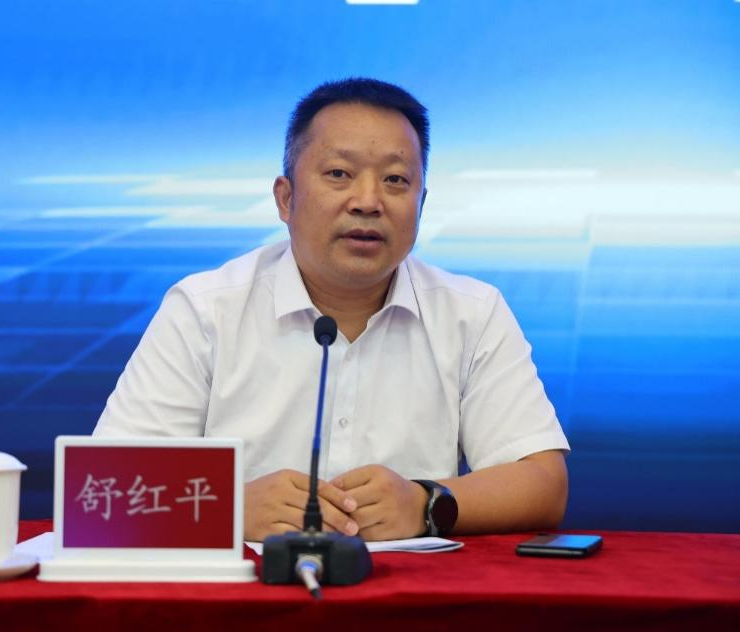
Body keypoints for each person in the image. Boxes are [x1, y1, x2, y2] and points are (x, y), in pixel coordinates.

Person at [95, 78, 569, 541]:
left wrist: (426, 504)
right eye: (339, 174)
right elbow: (103, 491)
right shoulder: (204, 310)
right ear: (286, 198)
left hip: (413, 589)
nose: (367, 202)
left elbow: (543, 484)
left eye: (395, 180)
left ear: (421, 203)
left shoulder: (472, 313)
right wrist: (226, 507)